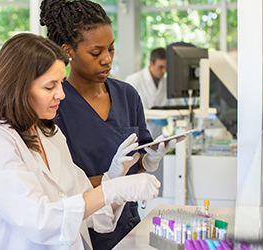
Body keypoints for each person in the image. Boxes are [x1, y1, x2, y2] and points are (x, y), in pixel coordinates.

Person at [0, 32, 161, 250]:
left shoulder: (49, 133)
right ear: (18, 88)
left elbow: (82, 202)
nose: (61, 94)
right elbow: (39, 220)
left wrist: (114, 180)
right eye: (50, 86)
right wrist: (112, 190)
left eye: (61, 83)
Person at [39, 1, 179, 249]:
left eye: (111, 49)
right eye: (96, 52)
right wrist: (113, 181)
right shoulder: (55, 105)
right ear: (68, 50)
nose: (107, 60)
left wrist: (149, 160)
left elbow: (137, 168)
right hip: (83, 232)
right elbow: (60, 191)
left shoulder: (127, 95)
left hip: (127, 227)